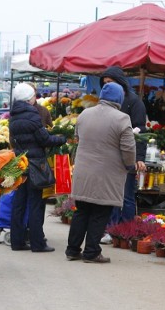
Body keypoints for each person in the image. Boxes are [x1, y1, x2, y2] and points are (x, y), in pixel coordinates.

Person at [65, 82, 136, 263]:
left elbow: (77, 137)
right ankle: (91, 252)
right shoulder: (122, 119)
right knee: (100, 212)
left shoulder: (84, 114)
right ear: (119, 98)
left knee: (81, 211)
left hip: (83, 171)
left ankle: (72, 250)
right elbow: (128, 149)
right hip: (106, 174)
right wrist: (130, 165)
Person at [8, 83, 66, 252]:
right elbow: (45, 140)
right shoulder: (32, 117)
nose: (35, 99)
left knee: (19, 203)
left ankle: (17, 241)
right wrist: (62, 139)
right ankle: (37, 243)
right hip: (35, 165)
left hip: (20, 163)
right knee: (36, 204)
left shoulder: (14, 117)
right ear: (28, 99)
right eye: (33, 96)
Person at [98, 66, 147, 244]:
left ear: (120, 82)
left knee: (126, 196)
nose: (107, 86)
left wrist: (139, 158)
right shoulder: (104, 103)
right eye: (105, 83)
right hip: (109, 157)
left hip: (128, 157)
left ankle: (126, 232)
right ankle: (110, 230)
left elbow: (141, 131)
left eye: (110, 82)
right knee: (110, 195)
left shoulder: (134, 102)